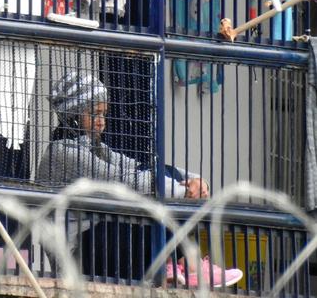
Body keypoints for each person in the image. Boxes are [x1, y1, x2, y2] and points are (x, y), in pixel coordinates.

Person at [37, 70, 242, 287]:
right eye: (94, 114)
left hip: (101, 245)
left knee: (160, 174)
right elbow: (125, 181)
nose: (101, 122)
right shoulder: (63, 153)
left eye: (104, 114)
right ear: (73, 116)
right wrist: (184, 191)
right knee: (146, 194)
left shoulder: (97, 149)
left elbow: (137, 168)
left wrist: (197, 181)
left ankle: (178, 264)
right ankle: (182, 264)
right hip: (79, 258)